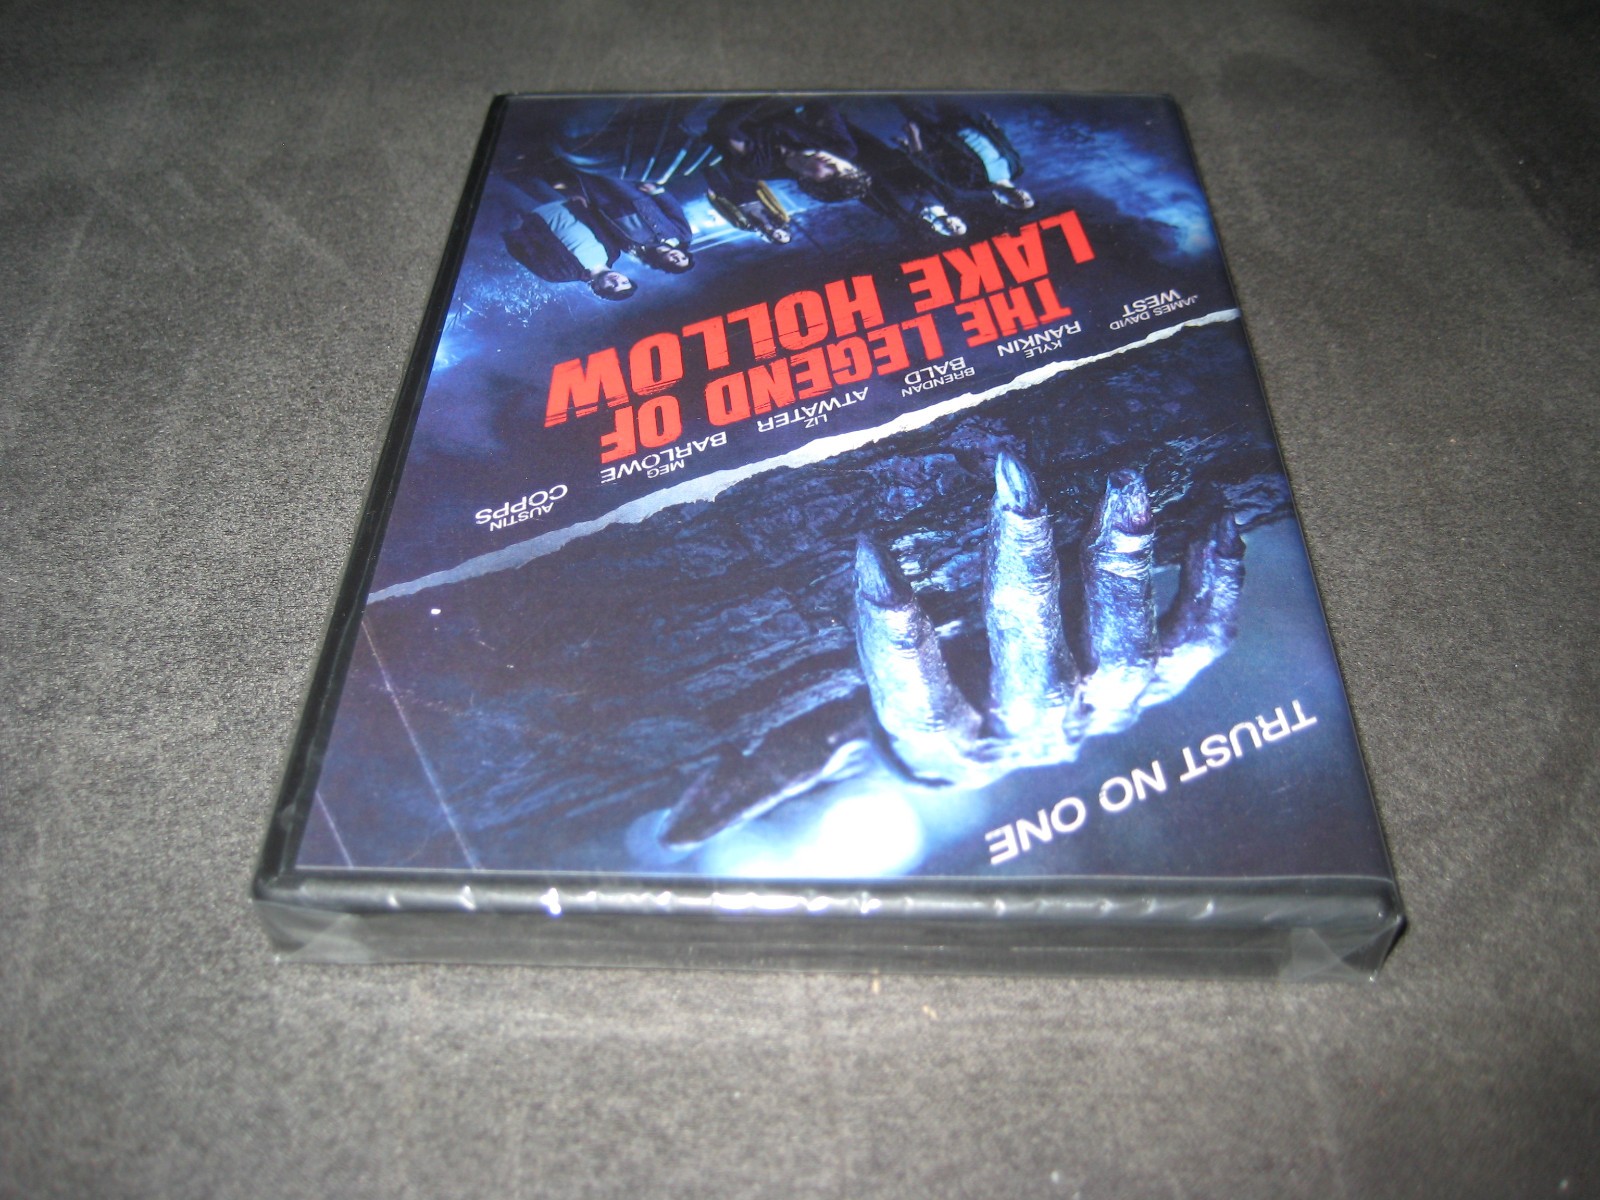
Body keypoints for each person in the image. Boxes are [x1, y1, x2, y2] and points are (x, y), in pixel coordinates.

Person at [896, 100, 1034, 212]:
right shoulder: (1016, 167)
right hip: (965, 121)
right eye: (1027, 199)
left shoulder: (968, 184)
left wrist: (913, 136)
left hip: (936, 132)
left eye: (1017, 203)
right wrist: (991, 125)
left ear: (1001, 203)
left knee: (908, 102)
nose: (1021, 198)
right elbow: (1004, 143)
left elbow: (927, 166)